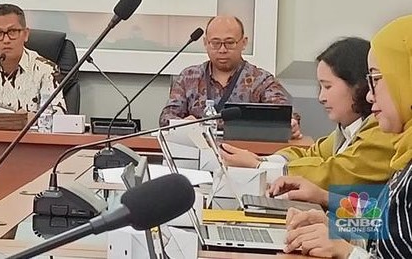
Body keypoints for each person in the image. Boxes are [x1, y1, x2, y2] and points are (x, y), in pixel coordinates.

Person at [275, 15, 412, 258]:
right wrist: (337, 225)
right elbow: (383, 218)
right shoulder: (405, 149)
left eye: (376, 80)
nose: (369, 95)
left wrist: (348, 252)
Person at [220, 37, 395, 189]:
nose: (321, 97)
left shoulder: (381, 128)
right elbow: (312, 154)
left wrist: (258, 167)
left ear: (359, 86)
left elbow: (335, 173)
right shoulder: (348, 128)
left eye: (328, 87)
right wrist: (263, 161)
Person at [158, 15, 301, 138]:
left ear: (243, 43)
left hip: (244, 152)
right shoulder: (189, 77)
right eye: (215, 43)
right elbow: (166, 118)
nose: (222, 50)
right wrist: (182, 124)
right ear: (205, 43)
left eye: (230, 43)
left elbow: (285, 114)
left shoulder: (261, 80)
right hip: (196, 150)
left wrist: (291, 123)